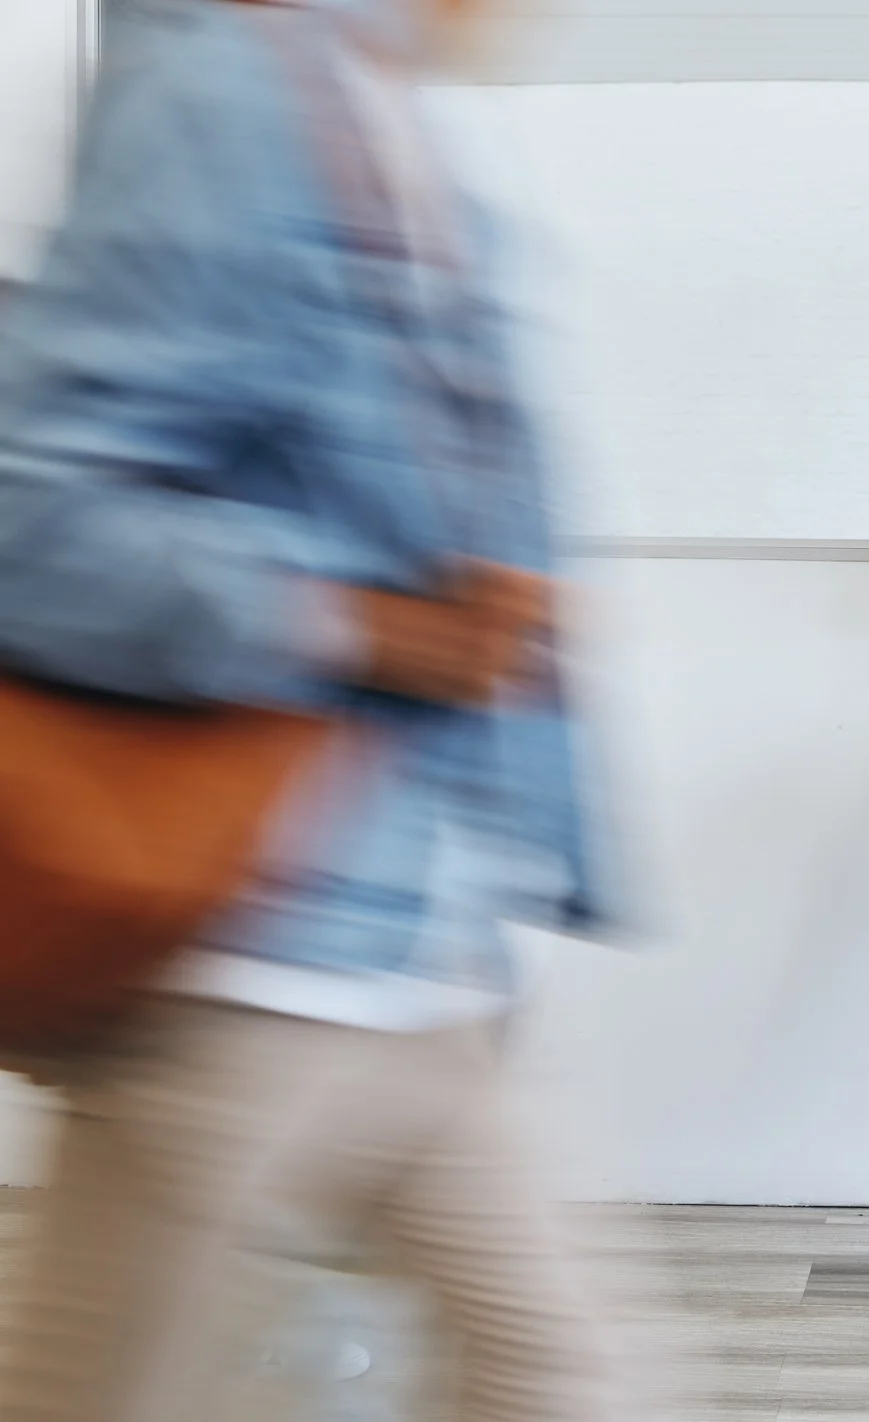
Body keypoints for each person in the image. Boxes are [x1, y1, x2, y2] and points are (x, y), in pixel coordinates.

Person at [0, 1, 617, 1418]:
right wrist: (364, 623)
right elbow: (35, 515)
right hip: (246, 949)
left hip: (420, 939)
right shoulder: (223, 91)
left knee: (577, 1376)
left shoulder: (393, 121)